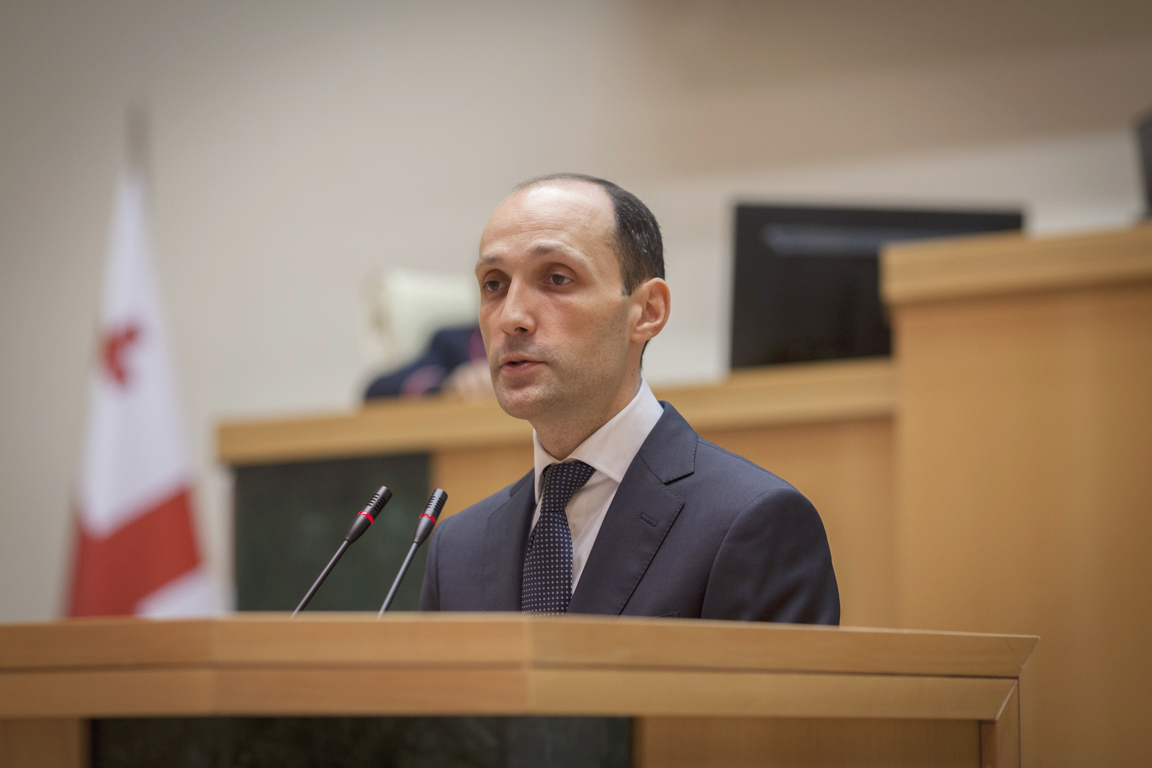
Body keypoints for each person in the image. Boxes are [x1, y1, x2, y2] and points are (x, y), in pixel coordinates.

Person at [419, 174, 839, 623]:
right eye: (494, 284)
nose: (512, 317)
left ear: (648, 311)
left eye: (557, 278)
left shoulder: (754, 519)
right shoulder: (456, 547)